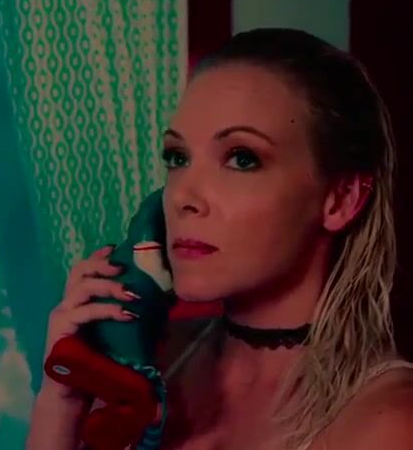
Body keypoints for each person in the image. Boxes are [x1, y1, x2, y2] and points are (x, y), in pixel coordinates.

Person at [27, 28, 413, 450]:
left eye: (242, 158)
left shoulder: (389, 424)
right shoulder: (149, 361)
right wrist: (60, 403)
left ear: (341, 199)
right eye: (177, 157)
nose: (183, 197)